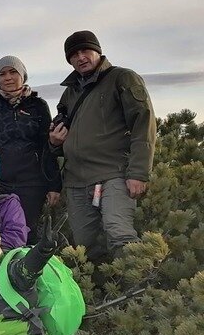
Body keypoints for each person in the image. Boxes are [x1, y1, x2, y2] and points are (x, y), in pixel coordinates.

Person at [49, 30, 156, 261]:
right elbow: (65, 138)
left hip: (112, 174)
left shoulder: (122, 78)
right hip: (77, 181)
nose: (80, 57)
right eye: (74, 55)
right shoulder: (69, 92)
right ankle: (101, 295)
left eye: (85, 51)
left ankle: (137, 294)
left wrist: (138, 172)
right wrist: (55, 142)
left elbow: (143, 124)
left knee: (120, 235)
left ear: (97, 51)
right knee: (85, 249)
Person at [0, 56, 61, 243]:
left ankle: (23, 271)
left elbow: (48, 147)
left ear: (23, 75)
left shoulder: (38, 105)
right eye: (2, 74)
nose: (8, 77)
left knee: (26, 234)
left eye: (13, 72)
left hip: (32, 183)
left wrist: (54, 185)